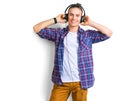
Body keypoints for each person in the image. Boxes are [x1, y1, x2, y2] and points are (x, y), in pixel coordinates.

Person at [33, 3, 112, 101]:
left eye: (77, 15)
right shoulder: (59, 34)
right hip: (61, 82)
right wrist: (56, 20)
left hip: (81, 82)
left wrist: (90, 23)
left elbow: (108, 33)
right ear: (67, 16)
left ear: (81, 18)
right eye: (71, 14)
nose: (74, 18)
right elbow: (37, 28)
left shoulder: (87, 35)